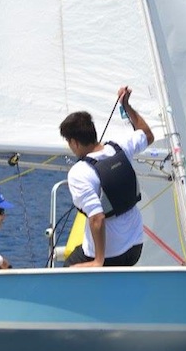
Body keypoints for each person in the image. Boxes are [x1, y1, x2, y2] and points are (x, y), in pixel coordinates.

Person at [59, 86, 154, 267]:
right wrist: (126, 106)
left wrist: (98, 261)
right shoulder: (120, 147)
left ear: (75, 142)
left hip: (110, 256)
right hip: (135, 247)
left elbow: (97, 218)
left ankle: (95, 263)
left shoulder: (80, 172)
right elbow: (148, 135)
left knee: (66, 272)